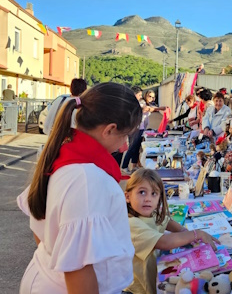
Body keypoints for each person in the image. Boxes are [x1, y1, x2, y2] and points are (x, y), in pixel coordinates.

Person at [17, 82, 143, 294]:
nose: (124, 145)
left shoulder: (65, 152)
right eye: (125, 136)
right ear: (110, 129)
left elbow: (41, 231)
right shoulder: (87, 179)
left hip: (46, 279)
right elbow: (78, 270)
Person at [123, 169, 219, 294]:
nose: (148, 199)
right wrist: (196, 234)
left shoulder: (152, 213)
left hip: (154, 279)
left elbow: (167, 222)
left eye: (154, 194)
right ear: (127, 197)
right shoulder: (131, 224)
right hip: (138, 290)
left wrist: (186, 233)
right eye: (142, 192)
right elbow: (164, 242)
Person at [121, 90, 166, 174]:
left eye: (153, 97)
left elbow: (150, 108)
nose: (152, 99)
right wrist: (160, 108)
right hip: (135, 128)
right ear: (146, 96)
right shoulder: (141, 102)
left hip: (141, 128)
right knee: (132, 147)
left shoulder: (149, 104)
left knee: (137, 147)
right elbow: (146, 109)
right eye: (150, 97)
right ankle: (124, 166)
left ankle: (134, 166)